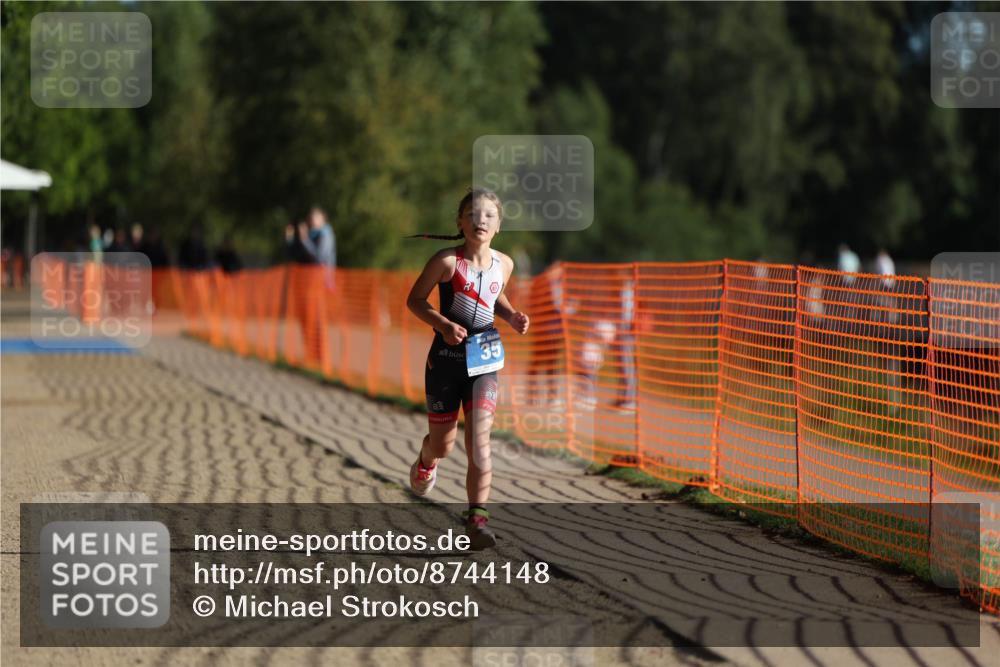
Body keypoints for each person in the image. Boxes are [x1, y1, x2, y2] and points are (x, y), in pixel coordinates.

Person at [405, 188, 529, 550]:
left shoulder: (504, 263)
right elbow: (414, 300)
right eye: (473, 214)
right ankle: (427, 460)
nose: (481, 221)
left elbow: (494, 296)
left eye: (489, 215)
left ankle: (477, 519)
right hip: (445, 362)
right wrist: (443, 325)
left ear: (499, 226)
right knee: (443, 445)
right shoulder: (445, 262)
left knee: (480, 442)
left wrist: (511, 315)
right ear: (460, 222)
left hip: (484, 362)